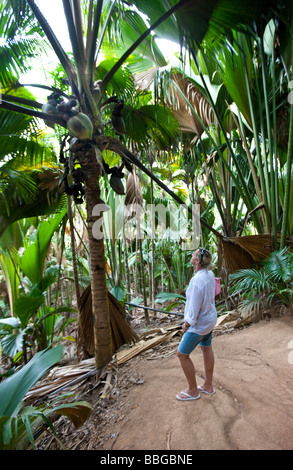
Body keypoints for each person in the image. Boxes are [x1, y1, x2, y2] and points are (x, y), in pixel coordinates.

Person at [176, 248, 217, 401]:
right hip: (209, 320)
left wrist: (186, 325)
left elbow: (194, 308)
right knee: (206, 349)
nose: (192, 256)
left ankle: (193, 390)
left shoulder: (197, 281)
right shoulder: (210, 274)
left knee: (182, 354)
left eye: (193, 254)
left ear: (197, 261)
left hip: (199, 325)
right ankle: (208, 385)